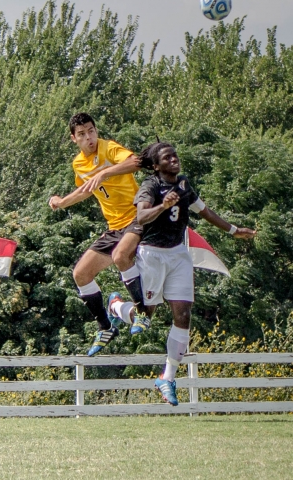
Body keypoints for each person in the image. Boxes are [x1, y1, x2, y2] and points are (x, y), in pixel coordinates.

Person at [107, 141, 256, 406]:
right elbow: (141, 218)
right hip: (152, 255)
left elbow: (205, 211)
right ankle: (116, 306)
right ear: (156, 166)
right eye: (167, 157)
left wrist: (234, 230)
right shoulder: (150, 186)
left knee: (183, 315)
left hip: (178, 254)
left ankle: (168, 377)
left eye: (175, 155)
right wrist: (163, 206)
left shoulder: (184, 184)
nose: (174, 159)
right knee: (147, 314)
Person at [48, 113, 150, 356]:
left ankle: (143, 313)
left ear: (96, 131)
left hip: (138, 217)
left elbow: (137, 162)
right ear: (74, 139)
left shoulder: (108, 148)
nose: (89, 138)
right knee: (80, 274)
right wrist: (62, 202)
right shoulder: (78, 164)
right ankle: (106, 327)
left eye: (91, 131)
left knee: (121, 256)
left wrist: (105, 173)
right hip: (115, 227)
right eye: (82, 134)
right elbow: (85, 190)